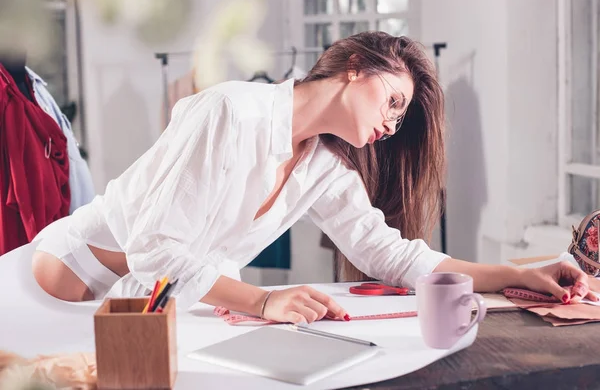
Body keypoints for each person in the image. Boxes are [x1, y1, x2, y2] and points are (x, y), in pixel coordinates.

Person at [30, 32, 599, 324]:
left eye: (401, 119)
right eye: (393, 101)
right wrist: (261, 300)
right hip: (70, 282)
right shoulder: (230, 111)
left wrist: (514, 274)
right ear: (355, 68)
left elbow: (390, 255)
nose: (392, 124)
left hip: (155, 308)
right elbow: (152, 247)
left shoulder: (326, 165)